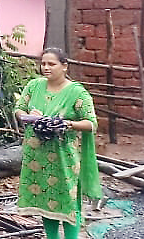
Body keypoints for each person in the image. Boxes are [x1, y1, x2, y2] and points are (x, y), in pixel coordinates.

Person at [14, 47, 102, 239]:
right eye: (43, 63)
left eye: (51, 64)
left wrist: (67, 124)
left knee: (68, 200)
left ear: (64, 66)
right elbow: (19, 109)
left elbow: (91, 123)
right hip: (37, 157)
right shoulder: (34, 86)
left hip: (64, 158)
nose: (46, 67)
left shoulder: (77, 93)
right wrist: (29, 116)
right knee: (46, 201)